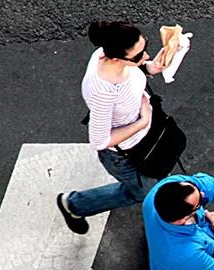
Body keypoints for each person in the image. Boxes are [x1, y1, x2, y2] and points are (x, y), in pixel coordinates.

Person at [55, 20, 169, 234]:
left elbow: (137, 70)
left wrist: (151, 67)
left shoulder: (107, 53)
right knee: (142, 192)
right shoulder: (103, 90)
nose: (145, 56)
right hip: (126, 154)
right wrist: (141, 122)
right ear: (117, 58)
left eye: (145, 48)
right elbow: (100, 140)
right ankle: (75, 204)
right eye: (138, 56)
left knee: (155, 178)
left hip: (147, 137)